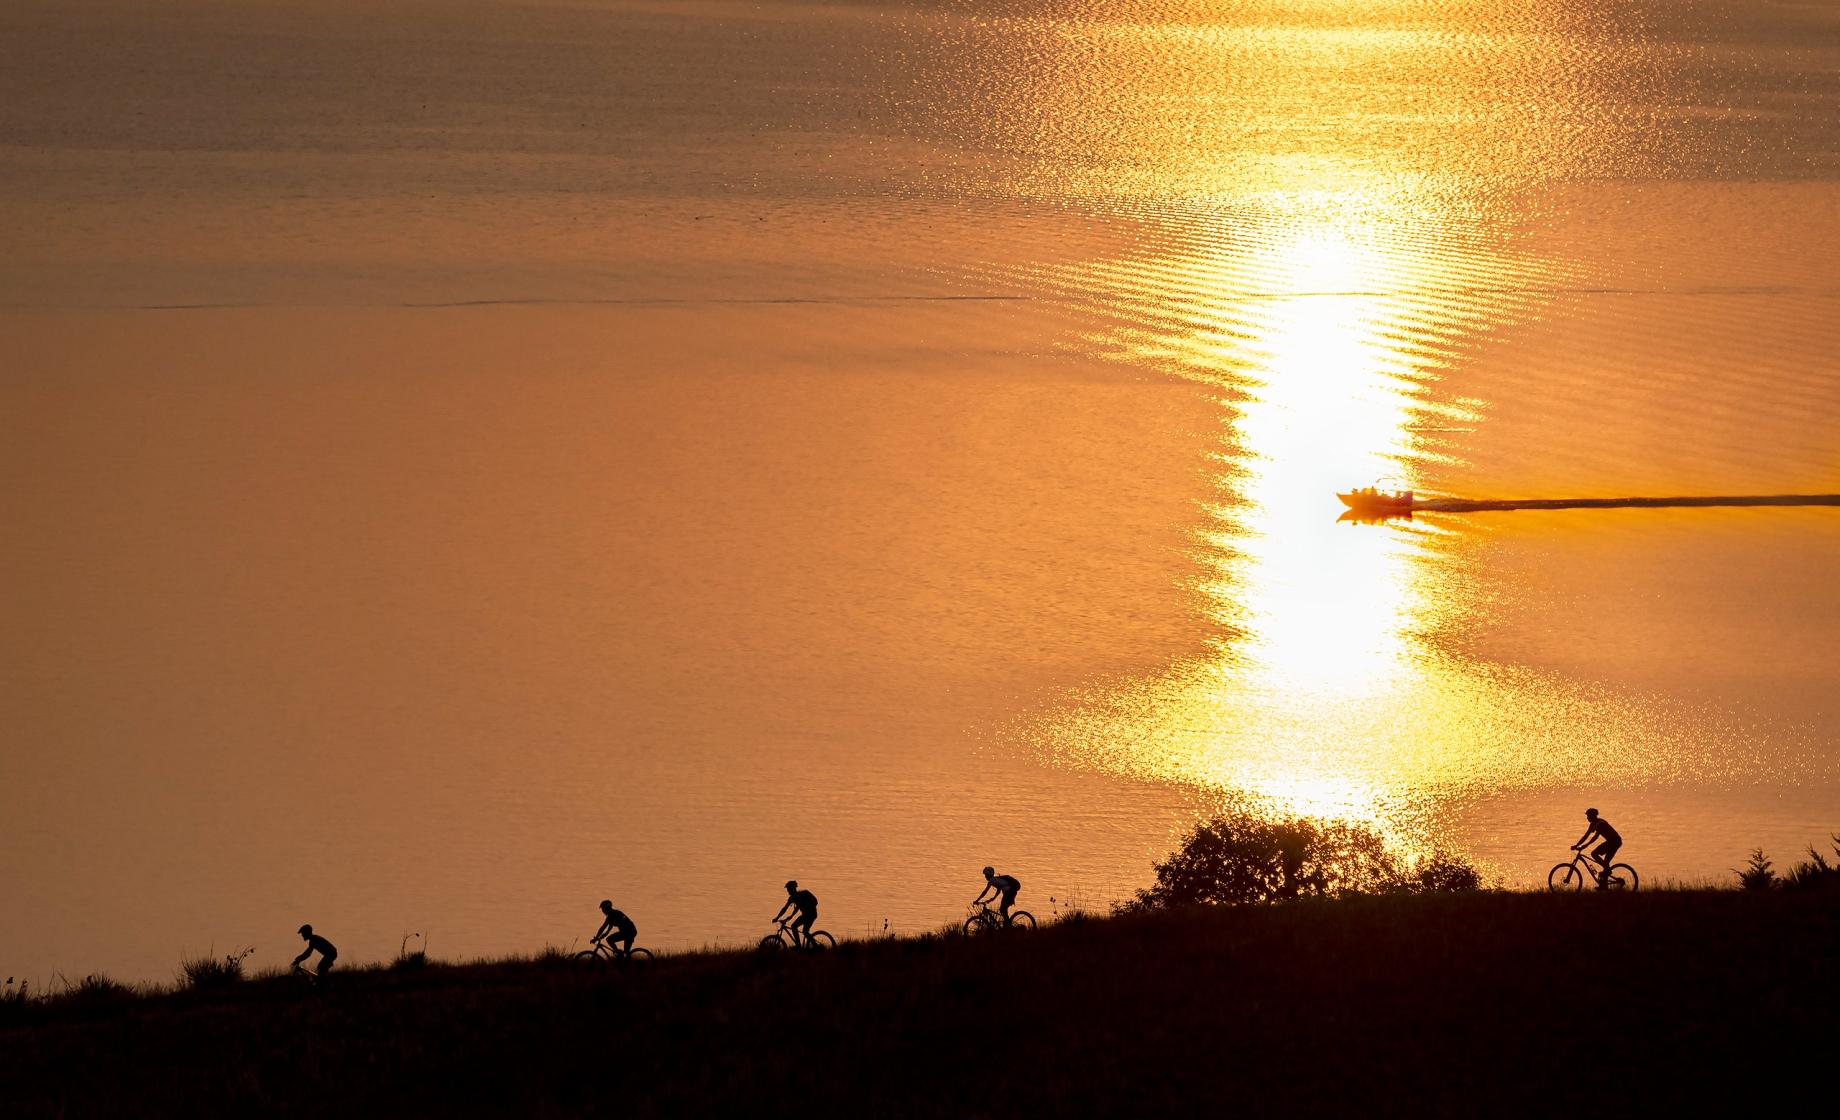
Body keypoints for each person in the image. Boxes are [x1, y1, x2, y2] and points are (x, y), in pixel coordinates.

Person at [1572, 808, 1623, 888]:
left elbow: (1595, 837)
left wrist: (1586, 845)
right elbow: (1586, 836)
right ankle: (1604, 884)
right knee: (1605, 862)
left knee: (1594, 853)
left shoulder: (1600, 823)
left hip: (1614, 842)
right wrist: (1577, 845)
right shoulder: (1593, 823)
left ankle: (1607, 870)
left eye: (1588, 816)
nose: (1587, 818)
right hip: (1613, 841)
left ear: (1593, 816)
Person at [774, 880, 818, 947]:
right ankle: (810, 946)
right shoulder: (792, 898)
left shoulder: (803, 893)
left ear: (792, 889)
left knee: (797, 928)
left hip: (811, 915)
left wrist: (778, 918)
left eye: (788, 889)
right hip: (805, 915)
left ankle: (801, 946)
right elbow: (787, 908)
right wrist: (788, 917)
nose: (787, 891)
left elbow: (815, 902)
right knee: (803, 931)